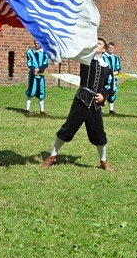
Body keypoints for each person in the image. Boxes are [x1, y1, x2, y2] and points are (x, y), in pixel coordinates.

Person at [41, 37, 114, 171]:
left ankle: (103, 161)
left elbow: (110, 86)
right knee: (67, 129)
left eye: (99, 44)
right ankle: (52, 156)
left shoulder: (107, 67)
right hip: (81, 101)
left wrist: (104, 96)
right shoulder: (86, 59)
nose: (95, 45)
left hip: (95, 106)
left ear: (103, 49)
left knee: (100, 135)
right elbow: (75, 50)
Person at [25, 39, 50, 116]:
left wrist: (39, 69)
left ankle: (42, 110)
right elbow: (29, 62)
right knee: (31, 90)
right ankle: (27, 109)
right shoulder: (30, 52)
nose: (37, 45)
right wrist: (33, 70)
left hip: (41, 74)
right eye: (35, 43)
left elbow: (46, 63)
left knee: (41, 91)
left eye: (38, 43)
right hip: (33, 75)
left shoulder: (45, 52)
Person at [103, 41, 122, 114]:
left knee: (113, 93)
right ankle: (99, 110)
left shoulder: (116, 58)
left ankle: (111, 110)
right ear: (107, 48)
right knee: (104, 92)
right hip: (105, 78)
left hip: (113, 79)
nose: (111, 49)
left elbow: (118, 68)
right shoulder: (103, 57)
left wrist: (116, 72)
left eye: (112, 48)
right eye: (109, 47)